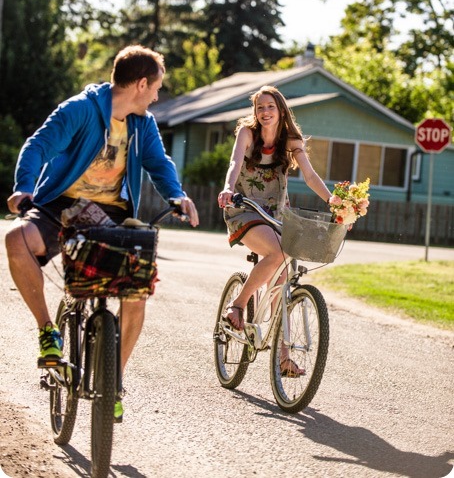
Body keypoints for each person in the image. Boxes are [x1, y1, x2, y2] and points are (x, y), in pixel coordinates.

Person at [5, 44, 199, 421]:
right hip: (61, 204)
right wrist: (24, 186)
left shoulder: (144, 124)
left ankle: (114, 379)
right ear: (141, 83)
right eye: (156, 88)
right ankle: (48, 331)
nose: (158, 96)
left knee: (136, 289)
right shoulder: (80, 109)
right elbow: (39, 145)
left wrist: (177, 195)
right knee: (15, 240)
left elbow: (159, 163)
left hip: (112, 213)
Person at [217, 85, 332, 377]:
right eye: (259, 107)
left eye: (270, 107)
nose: (264, 112)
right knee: (278, 252)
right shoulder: (247, 133)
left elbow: (309, 174)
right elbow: (235, 162)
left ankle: (283, 358)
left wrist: (333, 200)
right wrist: (229, 188)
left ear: (281, 110)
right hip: (243, 208)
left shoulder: (290, 141)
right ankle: (238, 305)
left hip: (277, 213)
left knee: (283, 279)